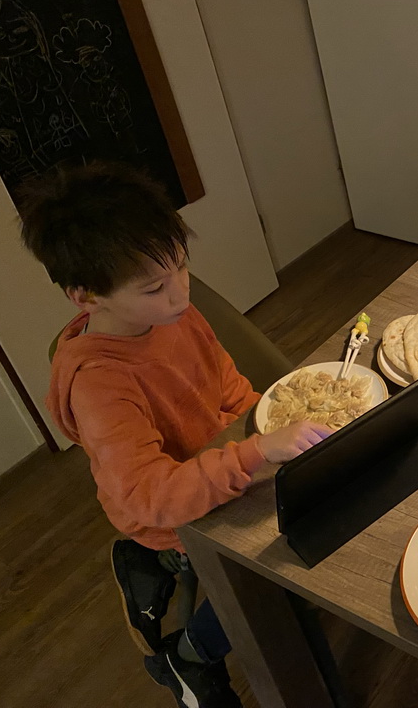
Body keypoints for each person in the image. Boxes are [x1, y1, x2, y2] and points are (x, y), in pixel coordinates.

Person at [18, 161, 331, 708]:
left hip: (218, 466)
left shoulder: (172, 316)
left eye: (182, 267)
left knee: (330, 490)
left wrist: (266, 426)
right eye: (154, 287)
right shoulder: (99, 385)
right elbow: (151, 495)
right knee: (277, 580)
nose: (181, 293)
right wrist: (256, 453)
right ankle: (188, 654)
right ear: (86, 296)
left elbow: (228, 388)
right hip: (167, 508)